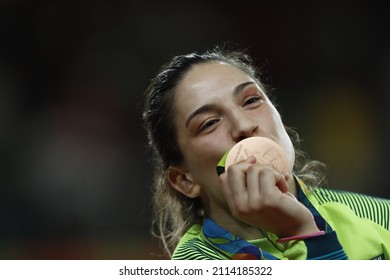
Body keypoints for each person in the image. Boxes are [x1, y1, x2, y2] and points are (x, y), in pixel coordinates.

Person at [142, 45, 390, 260]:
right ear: (185, 180)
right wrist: (303, 233)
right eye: (209, 123)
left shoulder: (380, 216)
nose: (243, 125)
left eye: (251, 101)